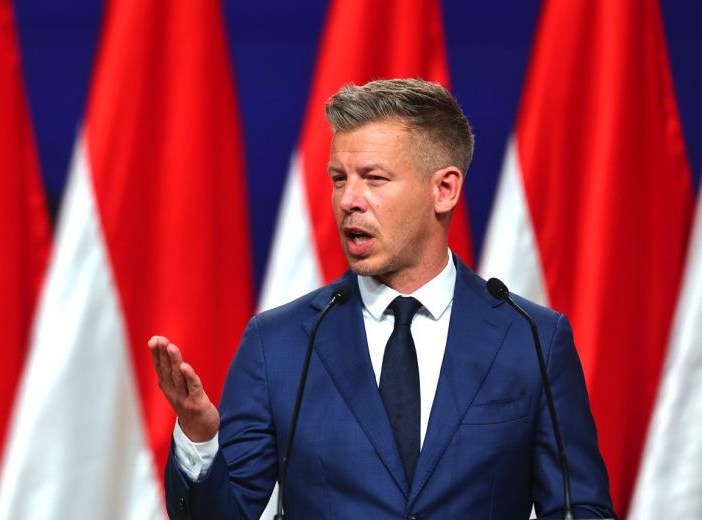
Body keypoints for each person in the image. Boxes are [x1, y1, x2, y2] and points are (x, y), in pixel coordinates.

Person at [149, 78, 615, 519]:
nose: (348, 200)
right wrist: (200, 438)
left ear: (444, 190)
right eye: (339, 178)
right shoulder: (280, 345)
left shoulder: (531, 339)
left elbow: (581, 508)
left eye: (373, 178)